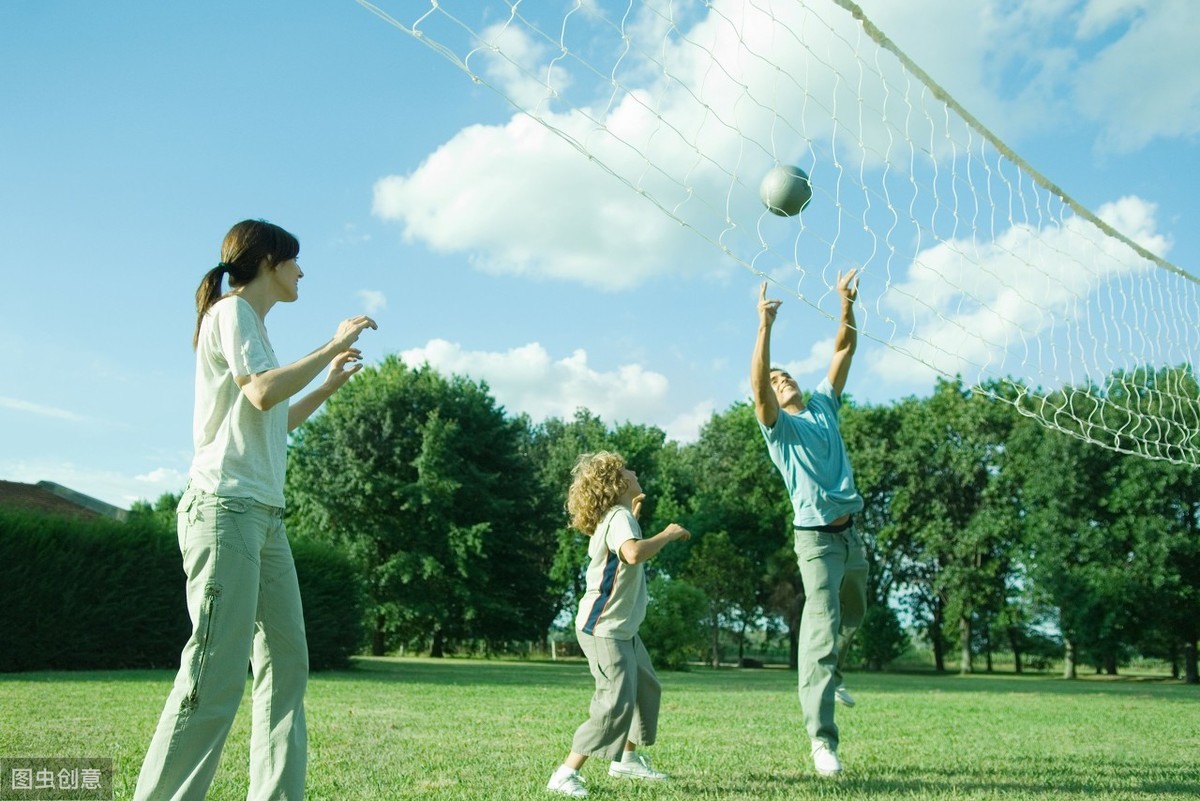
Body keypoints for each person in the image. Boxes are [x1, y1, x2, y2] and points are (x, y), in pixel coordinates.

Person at [134, 219, 377, 801]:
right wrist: (333, 345)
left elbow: (272, 418)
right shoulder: (231, 312)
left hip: (264, 517)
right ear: (269, 260)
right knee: (214, 675)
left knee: (287, 666)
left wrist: (324, 388)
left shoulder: (255, 328)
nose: (301, 272)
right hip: (224, 511)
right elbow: (264, 392)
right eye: (294, 261)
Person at [750, 274, 869, 778]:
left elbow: (844, 348)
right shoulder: (779, 429)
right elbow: (757, 388)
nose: (783, 380)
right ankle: (822, 742)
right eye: (777, 381)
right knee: (820, 631)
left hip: (851, 534)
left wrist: (844, 304)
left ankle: (834, 673)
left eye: (786, 376)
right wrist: (764, 328)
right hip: (817, 541)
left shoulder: (822, 405)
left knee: (855, 614)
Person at [546, 452, 692, 798]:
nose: (634, 471)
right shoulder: (620, 518)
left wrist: (635, 521)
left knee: (645, 687)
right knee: (614, 702)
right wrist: (668, 533)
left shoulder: (620, 517)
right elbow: (633, 554)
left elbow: (624, 551)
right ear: (617, 482)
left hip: (621, 627)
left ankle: (626, 759)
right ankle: (565, 773)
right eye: (627, 469)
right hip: (605, 629)